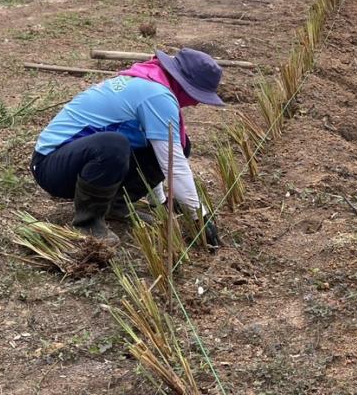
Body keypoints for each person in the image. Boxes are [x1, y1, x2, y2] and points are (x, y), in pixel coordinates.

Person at [31, 47, 224, 246]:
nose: (195, 104)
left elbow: (160, 152)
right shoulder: (156, 95)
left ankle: (116, 205)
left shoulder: (152, 82)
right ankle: (87, 222)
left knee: (182, 144)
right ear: (183, 84)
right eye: (197, 95)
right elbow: (173, 164)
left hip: (80, 161)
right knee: (113, 145)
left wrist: (159, 201)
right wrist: (199, 217)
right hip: (50, 165)